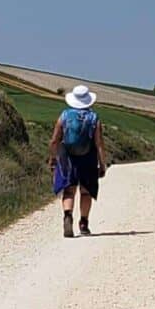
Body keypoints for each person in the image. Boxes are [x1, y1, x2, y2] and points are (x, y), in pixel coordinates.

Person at [48, 84, 107, 237]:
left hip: (67, 156)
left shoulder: (65, 115)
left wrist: (53, 158)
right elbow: (99, 143)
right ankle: (84, 223)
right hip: (88, 158)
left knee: (69, 190)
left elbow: (54, 140)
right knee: (86, 192)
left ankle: (68, 215)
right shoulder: (94, 118)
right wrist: (102, 164)